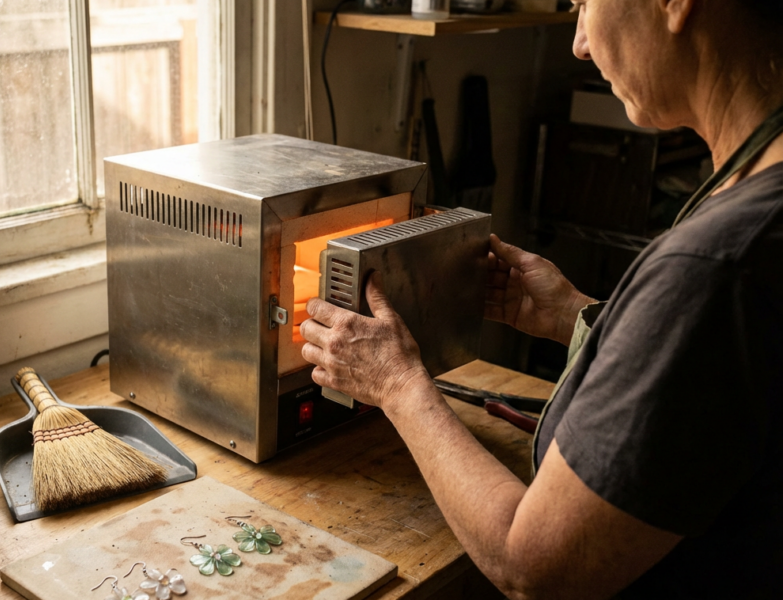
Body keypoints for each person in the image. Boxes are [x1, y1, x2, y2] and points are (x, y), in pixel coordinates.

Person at [299, 0, 783, 598]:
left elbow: (531, 566)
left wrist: (397, 384)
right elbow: (721, 386)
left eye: (584, 3)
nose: (580, 42)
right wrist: (580, 320)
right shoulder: (758, 195)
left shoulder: (717, 265)